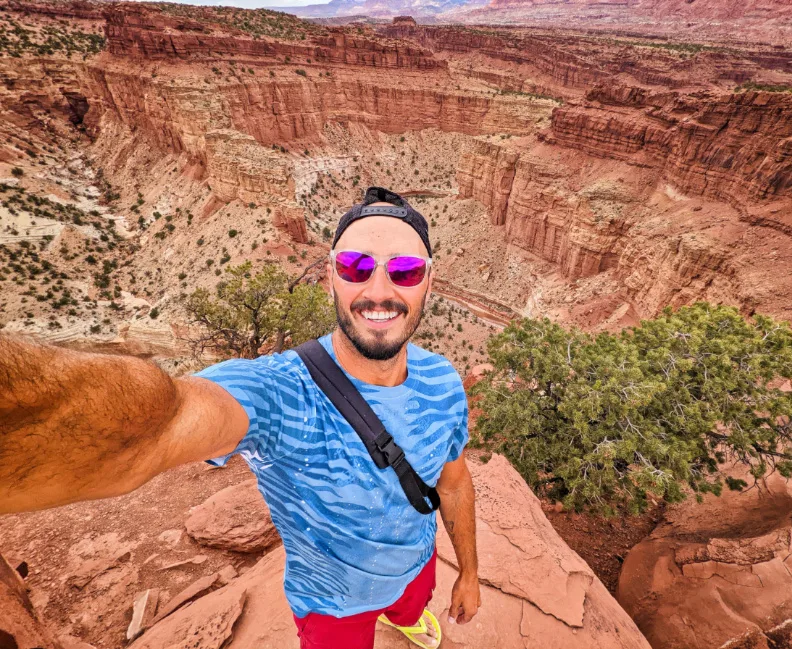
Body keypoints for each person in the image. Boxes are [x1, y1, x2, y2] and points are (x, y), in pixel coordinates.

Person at [0, 186, 480, 649]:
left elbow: (453, 482)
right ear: (329, 276)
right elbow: (161, 424)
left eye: (406, 270)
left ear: (429, 282)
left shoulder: (441, 379)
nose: (378, 291)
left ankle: (408, 616)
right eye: (355, 267)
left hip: (416, 565)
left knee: (411, 605)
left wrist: (470, 573)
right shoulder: (281, 392)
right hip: (334, 604)